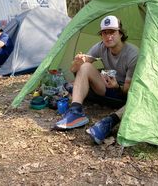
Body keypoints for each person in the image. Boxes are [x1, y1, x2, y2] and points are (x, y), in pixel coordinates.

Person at [54, 15, 139, 144]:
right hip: (105, 89)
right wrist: (77, 63)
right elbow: (76, 71)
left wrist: (116, 86)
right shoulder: (101, 47)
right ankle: (76, 111)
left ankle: (106, 119)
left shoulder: (133, 54)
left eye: (112, 32)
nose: (108, 36)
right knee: (86, 66)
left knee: (134, 95)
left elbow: (129, 90)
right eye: (105, 33)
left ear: (120, 33)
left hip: (122, 94)